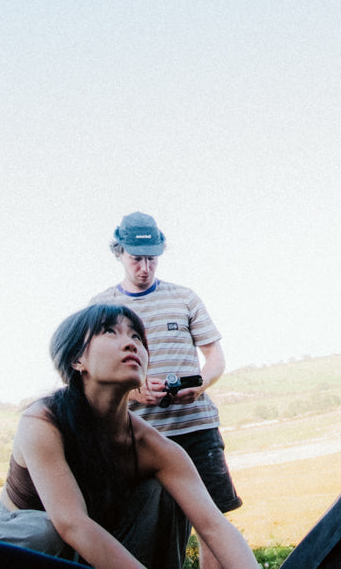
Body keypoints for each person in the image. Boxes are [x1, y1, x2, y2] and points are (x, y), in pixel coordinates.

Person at [0, 304, 257, 569]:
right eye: (110, 331)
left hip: (94, 538)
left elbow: (214, 526)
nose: (131, 343)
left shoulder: (153, 447)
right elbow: (72, 524)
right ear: (76, 359)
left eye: (136, 336)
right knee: (46, 531)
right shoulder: (43, 421)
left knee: (162, 493)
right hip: (11, 544)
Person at [88, 212, 241, 569]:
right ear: (119, 252)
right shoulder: (100, 307)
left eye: (152, 258)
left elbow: (215, 356)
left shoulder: (184, 297)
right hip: (137, 436)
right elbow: (91, 372)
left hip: (196, 430)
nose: (145, 268)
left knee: (212, 525)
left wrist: (201, 383)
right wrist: (134, 393)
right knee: (147, 527)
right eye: (136, 258)